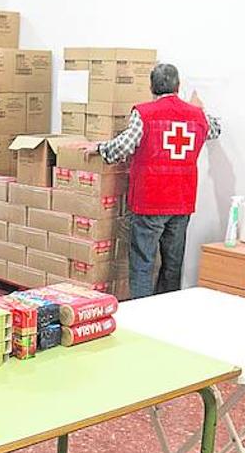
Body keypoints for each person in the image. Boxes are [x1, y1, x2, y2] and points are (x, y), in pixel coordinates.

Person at [81, 62, 222, 298]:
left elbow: (123, 147)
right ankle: (165, 313)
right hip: (182, 202)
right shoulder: (196, 116)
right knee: (172, 264)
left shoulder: (144, 113)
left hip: (150, 200)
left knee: (143, 263)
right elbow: (215, 129)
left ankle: (141, 315)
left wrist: (99, 147)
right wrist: (199, 108)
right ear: (179, 86)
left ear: (151, 87)